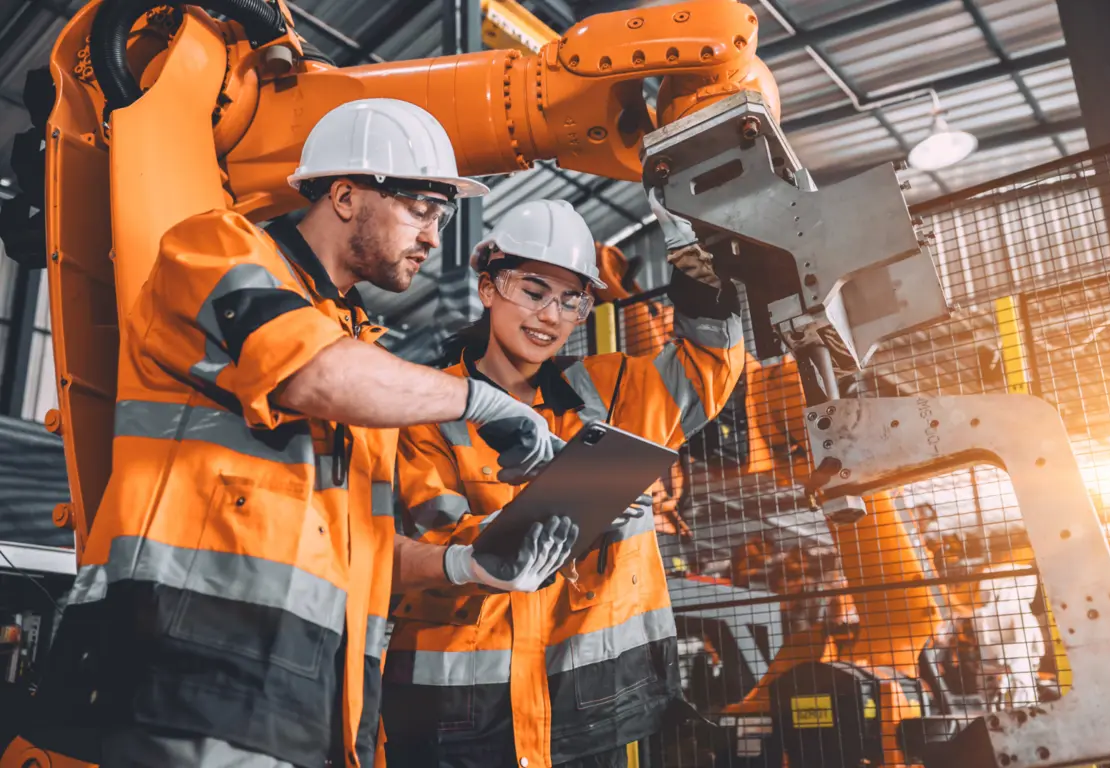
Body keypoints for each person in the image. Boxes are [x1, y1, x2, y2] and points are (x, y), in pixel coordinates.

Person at [31, 99, 577, 768]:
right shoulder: (216, 250)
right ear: (345, 196)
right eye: (421, 211)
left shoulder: (362, 354)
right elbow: (311, 374)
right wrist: (483, 401)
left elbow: (372, 551)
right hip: (182, 676)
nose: (435, 239)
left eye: (440, 218)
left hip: (312, 703)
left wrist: (466, 563)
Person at [381, 197, 746, 768]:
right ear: (488, 289)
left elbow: (707, 368)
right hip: (457, 712)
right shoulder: (430, 409)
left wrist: (698, 273)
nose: (550, 315)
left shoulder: (615, 392)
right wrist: (543, 515)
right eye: (532, 290)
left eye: (571, 299)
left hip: (591, 708)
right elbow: (434, 541)